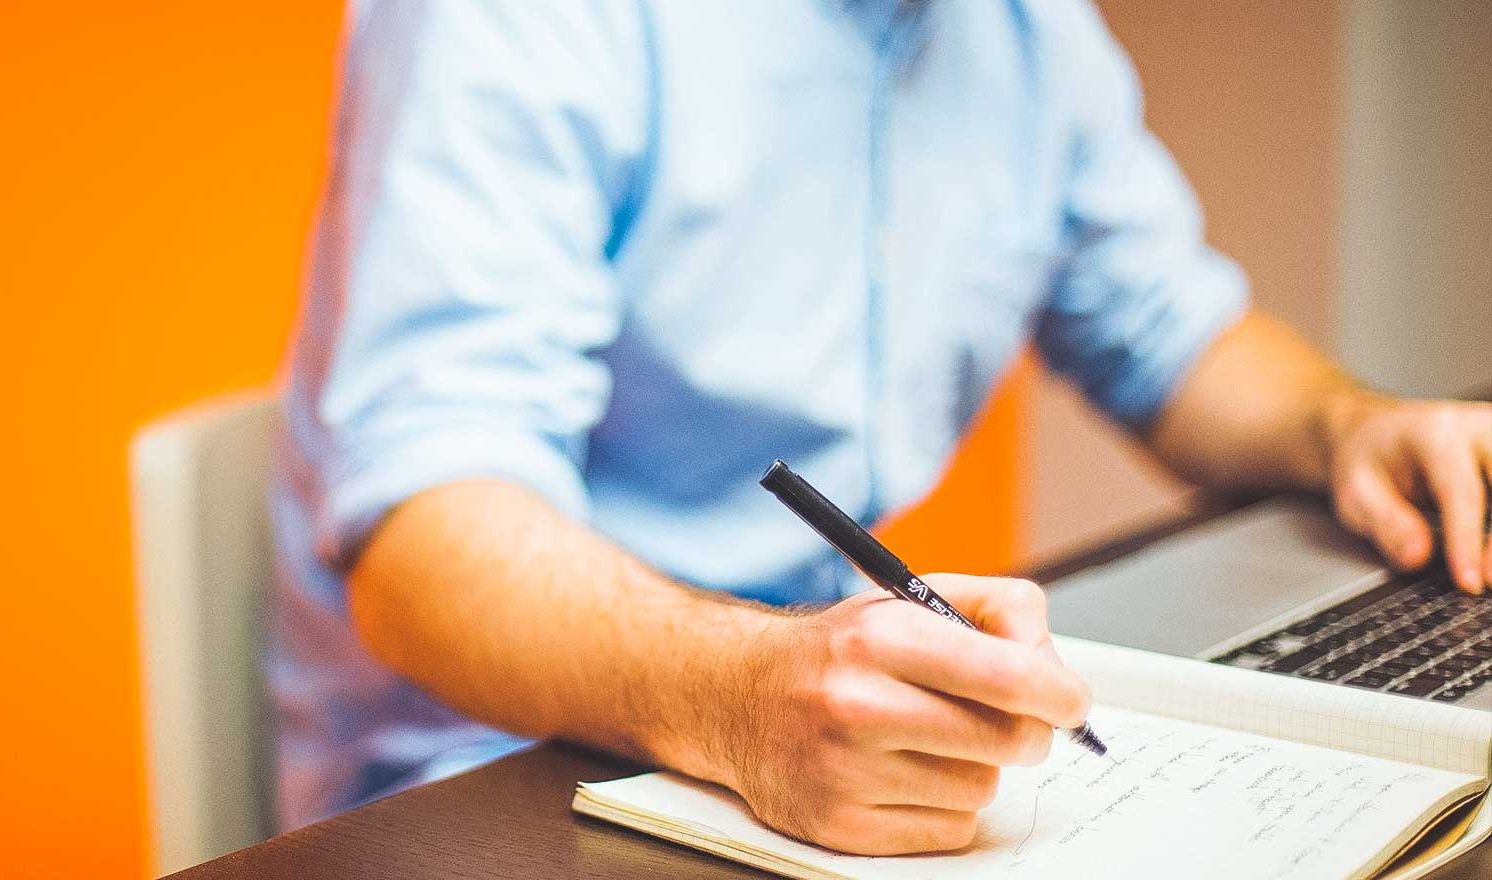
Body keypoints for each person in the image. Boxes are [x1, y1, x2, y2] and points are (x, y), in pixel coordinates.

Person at [270, 0, 1492, 854]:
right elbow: (425, 540)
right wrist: (743, 697)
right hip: (495, 779)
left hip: (807, 726)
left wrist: (1349, 426)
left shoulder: (1025, 32)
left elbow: (1166, 330)